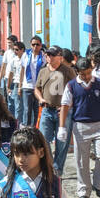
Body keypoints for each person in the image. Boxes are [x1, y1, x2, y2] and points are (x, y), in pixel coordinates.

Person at [58, 54, 100, 198]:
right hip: (80, 125)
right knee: (81, 161)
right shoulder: (71, 86)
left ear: (91, 69)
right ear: (78, 72)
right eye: (83, 74)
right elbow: (64, 106)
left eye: (88, 72)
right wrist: (62, 127)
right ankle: (84, 192)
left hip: (98, 123)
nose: (87, 76)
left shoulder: (99, 84)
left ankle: (98, 185)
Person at [34, 46, 73, 175]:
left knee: (62, 142)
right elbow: (37, 88)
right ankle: (49, 165)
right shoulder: (43, 71)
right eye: (48, 55)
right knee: (43, 139)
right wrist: (40, 98)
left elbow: (75, 89)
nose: (49, 57)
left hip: (63, 111)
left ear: (60, 57)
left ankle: (57, 169)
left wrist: (68, 104)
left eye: (52, 55)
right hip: (47, 110)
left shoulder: (68, 71)